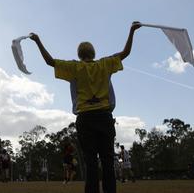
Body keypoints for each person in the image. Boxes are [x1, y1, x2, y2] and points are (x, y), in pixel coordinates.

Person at [30, 21, 142, 193]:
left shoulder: (75, 67)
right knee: (107, 161)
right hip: (104, 117)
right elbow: (126, 53)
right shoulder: (105, 64)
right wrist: (132, 31)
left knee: (90, 162)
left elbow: (50, 61)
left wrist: (37, 41)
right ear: (93, 53)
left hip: (85, 119)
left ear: (79, 54)